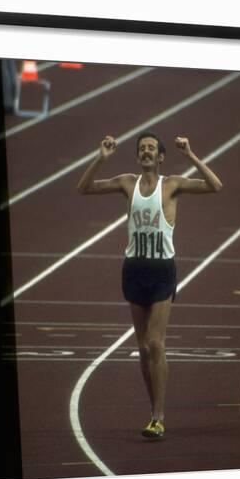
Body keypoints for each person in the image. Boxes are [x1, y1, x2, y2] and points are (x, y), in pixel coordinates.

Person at [77, 132, 223, 438]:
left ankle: (159, 415)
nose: (145, 151)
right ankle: (152, 411)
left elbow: (215, 185)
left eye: (151, 148)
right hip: (134, 269)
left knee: (156, 343)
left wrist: (191, 155)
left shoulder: (171, 185)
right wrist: (100, 159)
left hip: (161, 271)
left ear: (161, 157)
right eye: (141, 148)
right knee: (143, 349)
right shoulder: (127, 183)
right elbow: (84, 188)